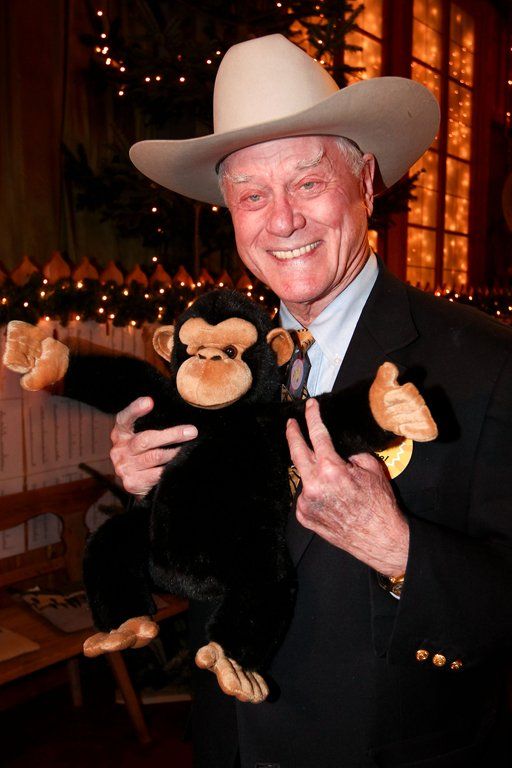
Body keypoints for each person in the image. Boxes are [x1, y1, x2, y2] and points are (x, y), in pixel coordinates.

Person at [112, 35, 512, 767]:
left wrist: (396, 547)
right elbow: (201, 555)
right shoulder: (210, 364)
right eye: (252, 196)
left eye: (308, 183)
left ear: (365, 182)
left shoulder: (489, 363)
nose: (282, 222)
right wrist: (151, 485)